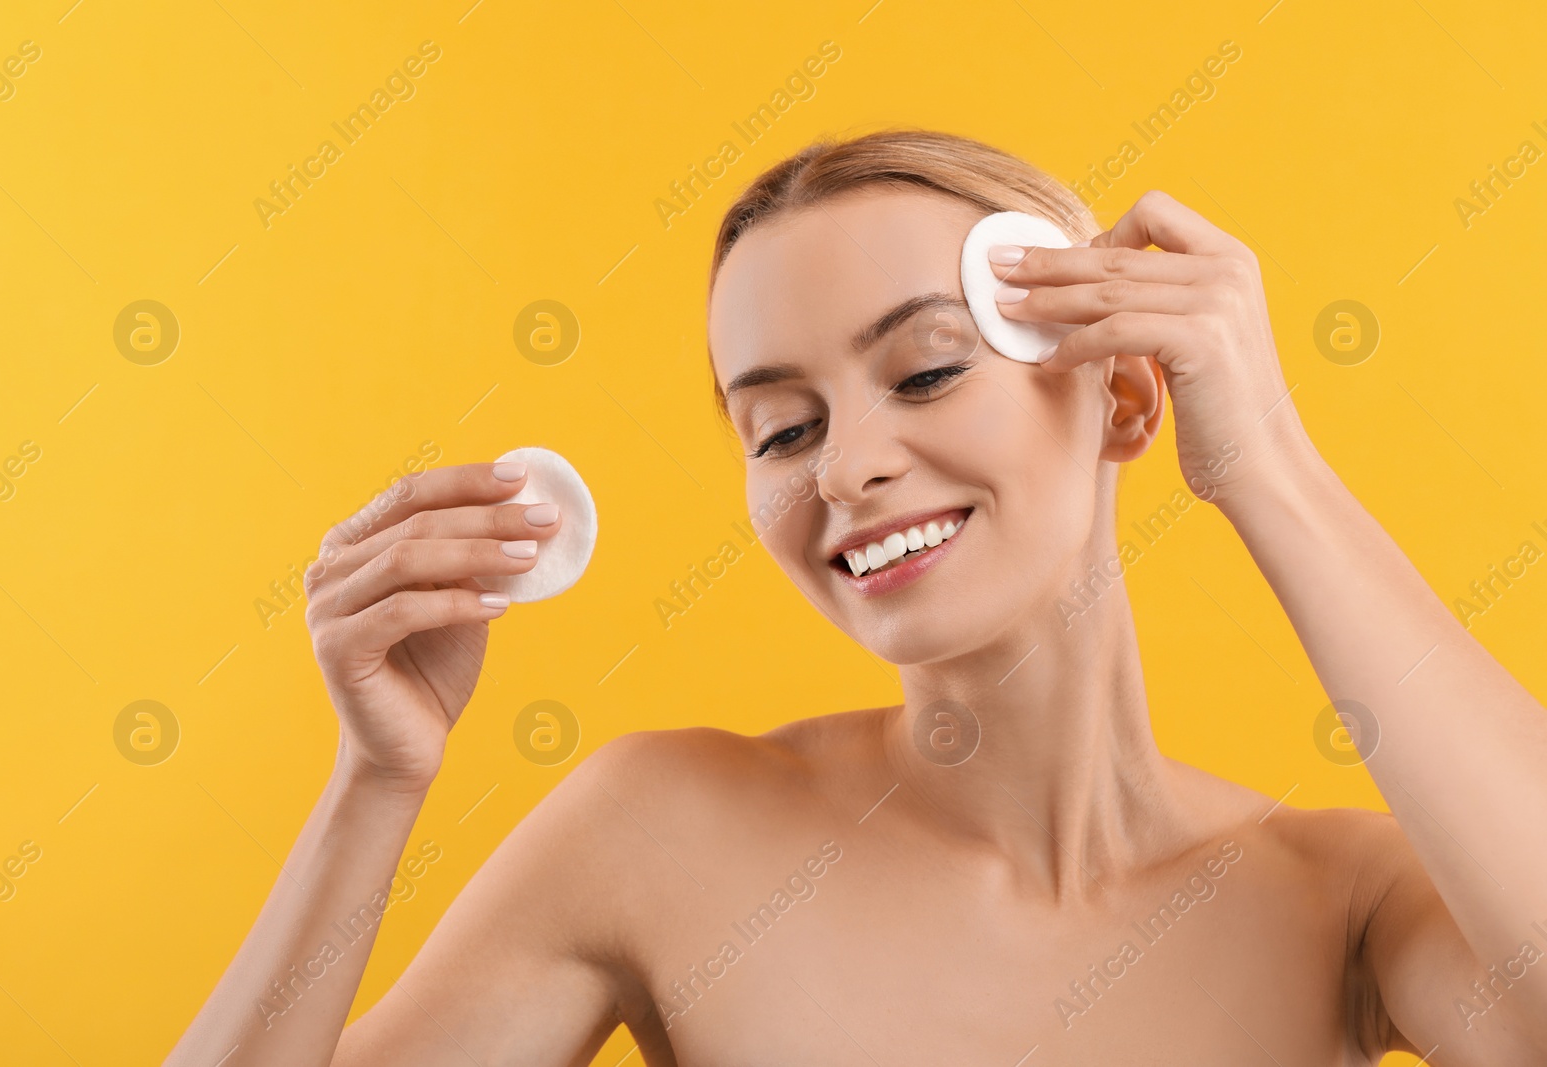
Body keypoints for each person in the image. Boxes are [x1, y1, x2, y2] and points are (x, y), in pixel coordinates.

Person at [166, 129, 1547, 1065]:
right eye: (780, 427)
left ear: (1125, 392)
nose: (850, 465)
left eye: (929, 369)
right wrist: (374, 787)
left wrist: (1269, 471)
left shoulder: (1342, 905)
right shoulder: (662, 833)